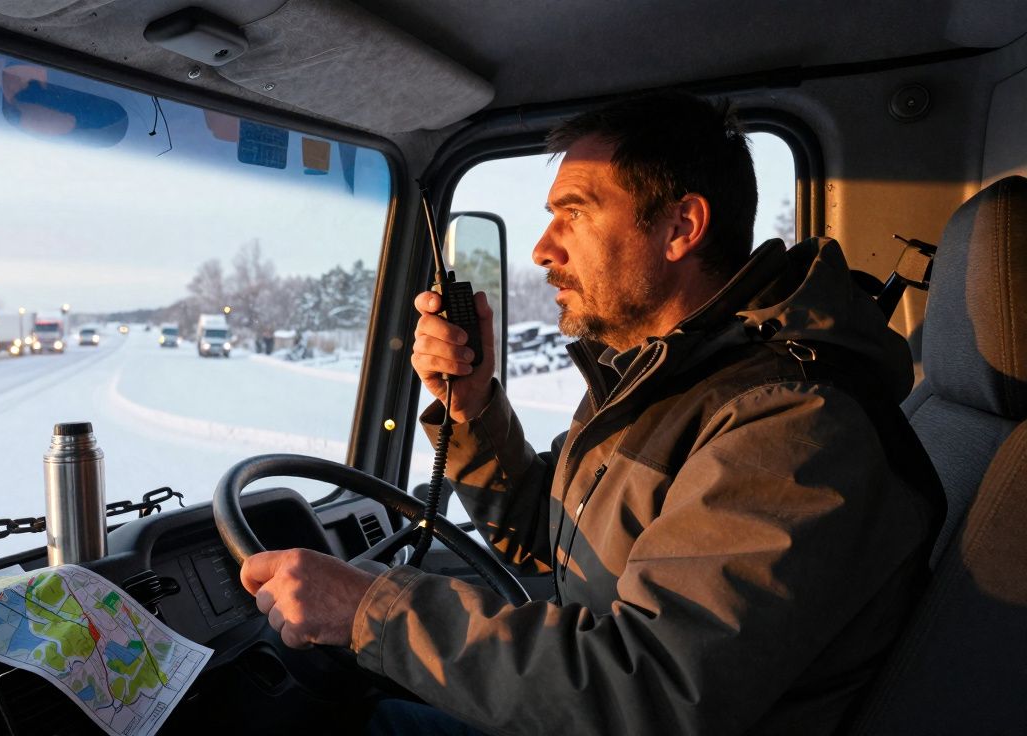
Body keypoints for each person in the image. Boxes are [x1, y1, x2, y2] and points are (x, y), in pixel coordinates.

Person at [239, 92, 942, 735]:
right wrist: (474, 405)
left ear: (680, 228)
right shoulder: (668, 378)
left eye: (572, 214)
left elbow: (651, 693)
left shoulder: (788, 424)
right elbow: (558, 540)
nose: (544, 249)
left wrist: (370, 610)